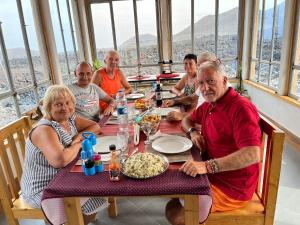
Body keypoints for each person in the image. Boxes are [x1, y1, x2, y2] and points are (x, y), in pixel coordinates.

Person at [165, 60, 261, 225]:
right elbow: (187, 120)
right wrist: (193, 132)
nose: (205, 88)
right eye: (201, 83)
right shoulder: (210, 104)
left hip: (232, 188)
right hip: (213, 176)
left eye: (211, 81)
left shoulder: (241, 108)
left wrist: (206, 166)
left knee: (175, 214)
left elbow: (253, 154)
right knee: (170, 185)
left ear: (224, 80)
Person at [20, 85, 107, 225]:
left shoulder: (70, 119)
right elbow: (60, 160)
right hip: (45, 188)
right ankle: (70, 220)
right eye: (58, 104)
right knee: (90, 189)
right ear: (48, 108)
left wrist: (78, 137)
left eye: (68, 103)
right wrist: (78, 144)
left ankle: (80, 221)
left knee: (97, 184)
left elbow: (95, 127)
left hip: (65, 176)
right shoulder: (44, 129)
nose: (65, 107)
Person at [164, 52, 217, 121]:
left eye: (190, 63)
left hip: (196, 116)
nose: (187, 66)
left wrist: (183, 115)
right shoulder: (190, 78)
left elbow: (198, 106)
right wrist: (174, 101)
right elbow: (192, 98)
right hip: (189, 111)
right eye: (185, 63)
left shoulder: (200, 80)